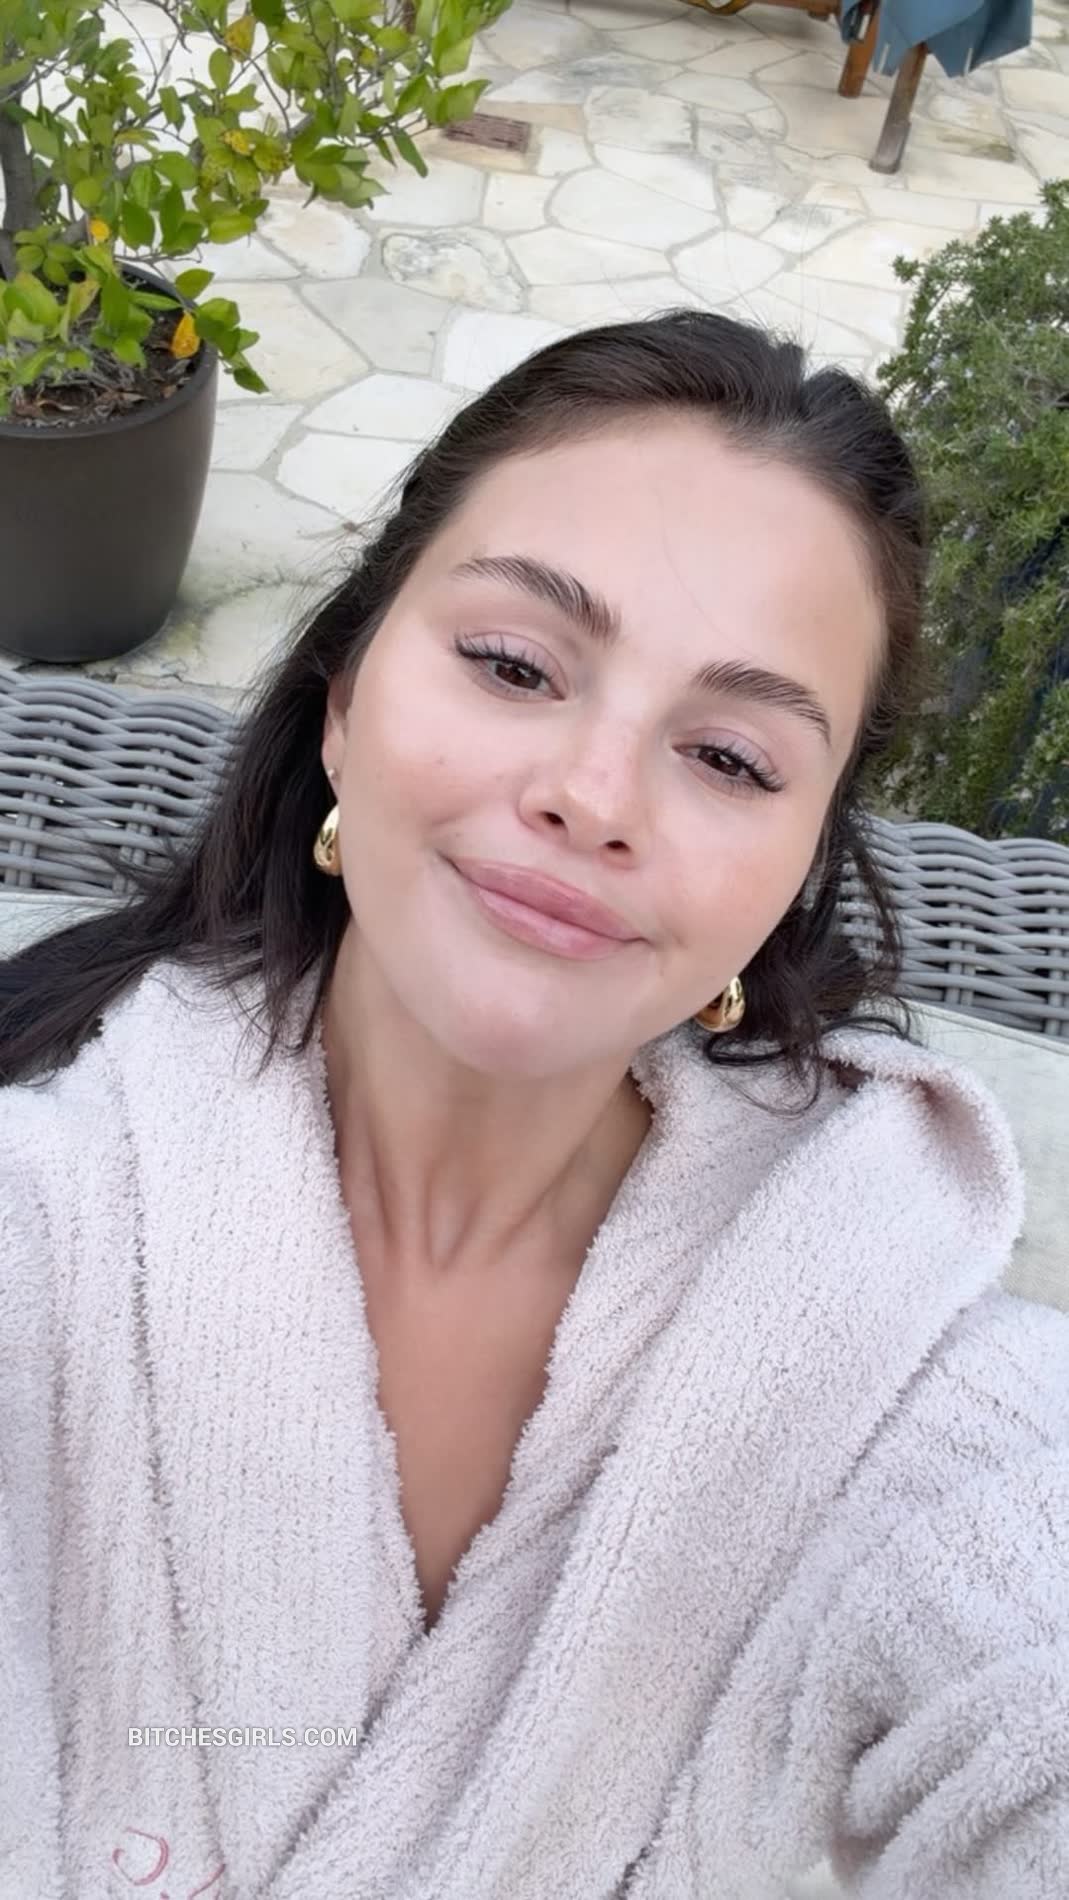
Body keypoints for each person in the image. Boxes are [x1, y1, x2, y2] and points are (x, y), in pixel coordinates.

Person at [1, 311, 1066, 1900]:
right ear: (343, 700)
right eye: (513, 666)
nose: (592, 795)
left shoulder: (899, 1372)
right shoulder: (46, 1206)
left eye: (729, 757)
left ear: (797, 868)